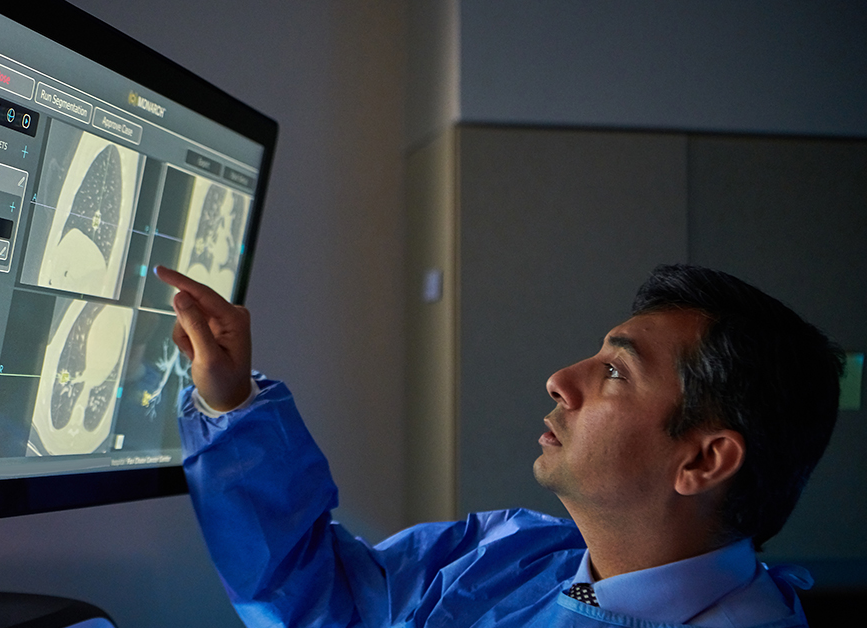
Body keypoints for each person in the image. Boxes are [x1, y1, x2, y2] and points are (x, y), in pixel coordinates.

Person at [154, 264, 843, 628]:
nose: (560, 380)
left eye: (615, 372)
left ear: (702, 460)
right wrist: (231, 400)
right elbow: (322, 603)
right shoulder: (509, 558)